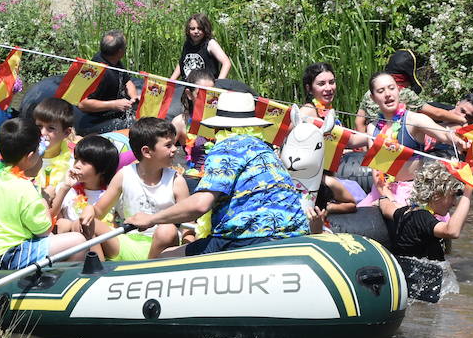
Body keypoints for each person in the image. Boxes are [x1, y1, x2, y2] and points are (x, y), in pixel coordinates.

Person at [124, 86, 310, 255]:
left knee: (166, 256)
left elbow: (200, 205)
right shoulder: (265, 149)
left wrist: (151, 219)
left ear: (219, 127)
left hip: (246, 240)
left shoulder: (226, 148)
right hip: (296, 236)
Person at [0, 115, 87, 270]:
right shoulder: (27, 190)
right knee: (78, 241)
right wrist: (44, 199)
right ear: (30, 156)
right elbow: (44, 230)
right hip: (7, 257)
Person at [85, 116, 193, 260]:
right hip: (128, 242)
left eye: (174, 144)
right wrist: (89, 210)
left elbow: (188, 225)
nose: (175, 150)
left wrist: (188, 250)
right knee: (88, 222)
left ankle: (147, 270)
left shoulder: (176, 180)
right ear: (147, 152)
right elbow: (99, 211)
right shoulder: (124, 174)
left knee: (166, 230)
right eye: (168, 145)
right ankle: (99, 272)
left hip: (163, 249)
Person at [375, 161, 473, 262]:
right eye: (452, 196)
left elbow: (387, 208)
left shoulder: (409, 211)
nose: (454, 203)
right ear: (436, 195)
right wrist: (468, 191)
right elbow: (452, 231)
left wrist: (383, 197)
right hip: (422, 276)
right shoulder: (422, 217)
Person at [49, 134, 121, 237]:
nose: (77, 165)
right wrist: (65, 188)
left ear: (102, 169)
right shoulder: (68, 189)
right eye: (76, 159)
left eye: (85, 162)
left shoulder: (112, 193)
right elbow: (49, 217)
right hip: (72, 245)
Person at [75, 30, 138, 136]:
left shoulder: (114, 61)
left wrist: (134, 97)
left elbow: (127, 81)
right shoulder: (99, 73)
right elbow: (82, 104)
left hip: (112, 111)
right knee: (137, 128)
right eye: (125, 47)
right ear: (120, 52)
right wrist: (114, 104)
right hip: (94, 119)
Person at [32, 97, 77, 204]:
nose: (42, 132)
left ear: (66, 133)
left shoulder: (73, 164)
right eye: (39, 126)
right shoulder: (23, 158)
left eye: (51, 128)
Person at [171, 13, 231, 82]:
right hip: (187, 84)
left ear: (205, 29)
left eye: (200, 28)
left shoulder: (210, 44)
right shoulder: (187, 44)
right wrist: (171, 81)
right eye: (192, 29)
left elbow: (226, 62)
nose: (196, 31)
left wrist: (219, 84)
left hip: (205, 86)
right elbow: (182, 63)